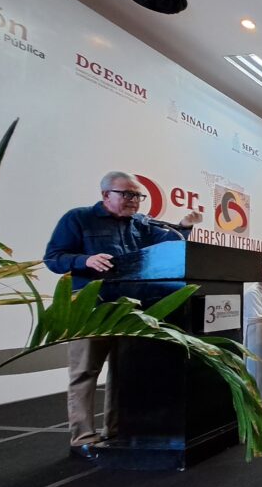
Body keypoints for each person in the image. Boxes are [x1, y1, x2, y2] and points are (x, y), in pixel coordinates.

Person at [43, 170, 202, 459]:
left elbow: (170, 245)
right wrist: (85, 259)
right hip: (89, 307)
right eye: (126, 194)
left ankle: (115, 430)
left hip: (129, 308)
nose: (134, 201)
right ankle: (82, 437)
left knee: (123, 370)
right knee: (85, 371)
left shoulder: (139, 225)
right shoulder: (78, 218)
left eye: (138, 196)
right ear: (106, 195)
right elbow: (53, 258)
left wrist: (184, 225)